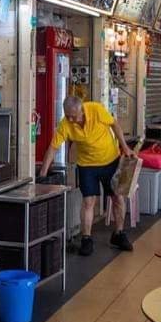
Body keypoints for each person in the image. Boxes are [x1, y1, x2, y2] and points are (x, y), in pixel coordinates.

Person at [40, 97, 136, 256]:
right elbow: (53, 147)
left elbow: (115, 125)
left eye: (74, 116)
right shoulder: (66, 124)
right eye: (68, 116)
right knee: (88, 201)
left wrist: (124, 147)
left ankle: (118, 234)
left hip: (109, 160)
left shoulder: (96, 110)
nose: (71, 119)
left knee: (117, 197)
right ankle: (86, 239)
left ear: (82, 110)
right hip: (86, 165)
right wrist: (43, 173)